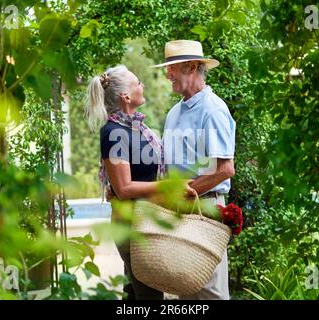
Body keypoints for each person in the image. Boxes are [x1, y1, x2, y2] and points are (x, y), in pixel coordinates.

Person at [85, 65, 195, 300]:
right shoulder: (113, 132)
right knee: (151, 297)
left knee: (135, 296)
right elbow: (124, 189)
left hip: (143, 222)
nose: (142, 85)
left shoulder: (135, 128)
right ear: (126, 96)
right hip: (131, 226)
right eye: (138, 83)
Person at [153, 40, 236, 300]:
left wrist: (184, 193)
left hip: (206, 210)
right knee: (185, 290)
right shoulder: (174, 113)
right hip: (179, 211)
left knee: (210, 293)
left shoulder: (213, 110)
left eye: (172, 68)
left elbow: (225, 169)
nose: (167, 75)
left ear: (191, 66)